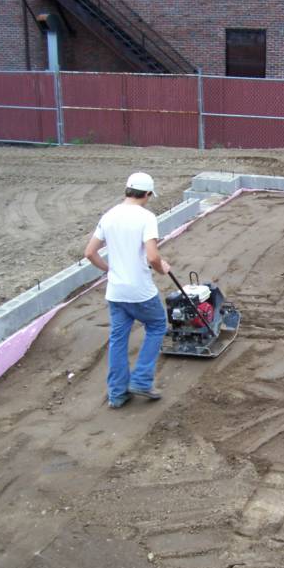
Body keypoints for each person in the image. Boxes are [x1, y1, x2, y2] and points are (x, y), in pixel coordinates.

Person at [83, 172, 170, 408]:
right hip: (139, 290)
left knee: (118, 339)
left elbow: (90, 252)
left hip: (116, 291)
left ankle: (117, 393)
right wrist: (161, 268)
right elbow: (152, 256)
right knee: (157, 325)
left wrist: (109, 270)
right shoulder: (146, 217)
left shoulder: (109, 215)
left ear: (127, 190)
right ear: (148, 194)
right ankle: (142, 379)